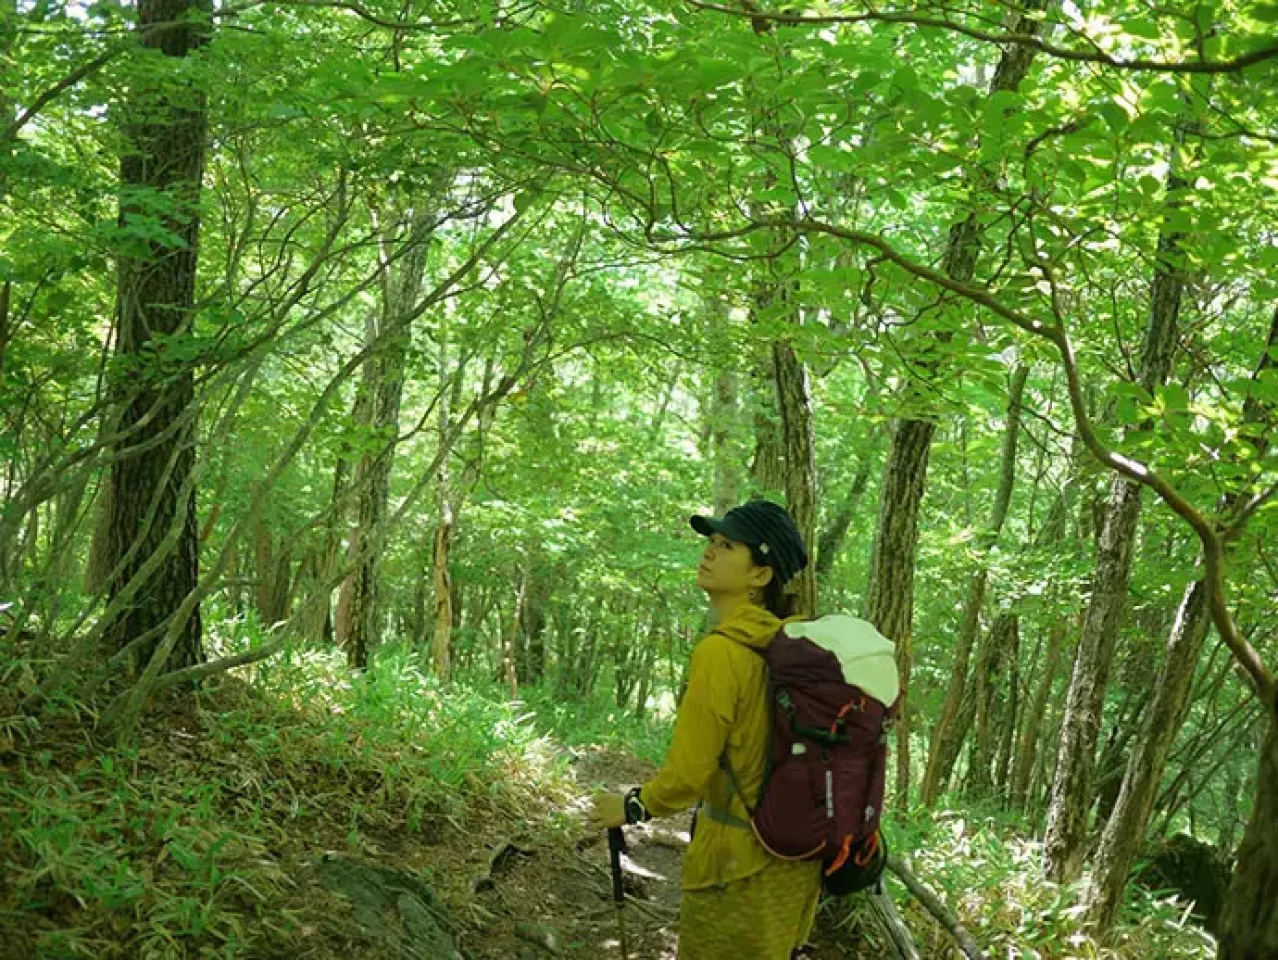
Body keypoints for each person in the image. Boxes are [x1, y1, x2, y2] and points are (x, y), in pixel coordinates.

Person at [586, 499, 821, 959]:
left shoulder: (722, 653)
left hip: (734, 869)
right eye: (711, 541)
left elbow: (688, 775)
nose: (710, 551)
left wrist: (632, 807)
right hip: (796, 869)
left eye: (728, 545)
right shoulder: (792, 647)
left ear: (760, 574)